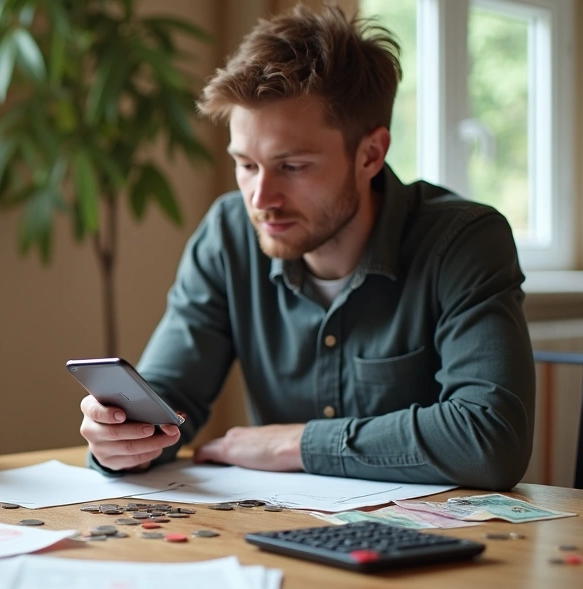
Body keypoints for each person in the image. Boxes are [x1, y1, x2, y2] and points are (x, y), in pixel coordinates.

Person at [78, 5, 534, 489]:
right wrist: (119, 439)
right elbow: (168, 401)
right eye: (246, 165)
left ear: (371, 154)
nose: (261, 200)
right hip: (284, 536)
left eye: (292, 166)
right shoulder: (229, 234)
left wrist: (292, 444)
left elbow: (490, 438)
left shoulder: (464, 241)